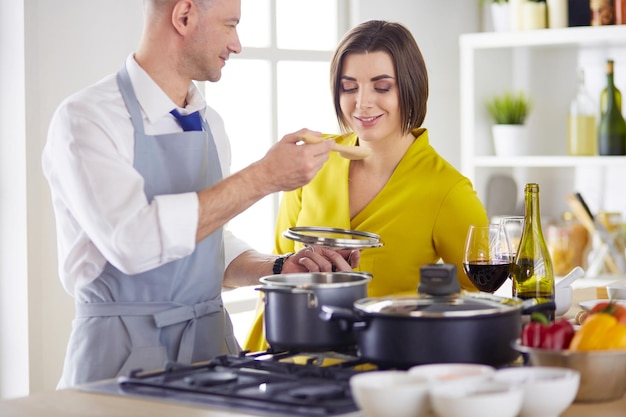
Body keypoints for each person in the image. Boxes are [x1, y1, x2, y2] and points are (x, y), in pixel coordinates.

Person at [42, 0, 358, 389]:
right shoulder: (87, 119)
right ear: (184, 15)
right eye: (230, 25)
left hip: (212, 358)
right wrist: (263, 177)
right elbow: (133, 242)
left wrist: (278, 267)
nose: (237, 44)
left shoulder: (211, 124)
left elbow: (205, 242)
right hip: (118, 364)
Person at [243, 20, 488, 351]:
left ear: (410, 87)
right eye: (349, 87)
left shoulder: (448, 190)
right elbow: (278, 270)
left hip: (382, 374)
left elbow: (477, 307)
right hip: (284, 363)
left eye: (382, 87)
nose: (362, 103)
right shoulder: (312, 162)